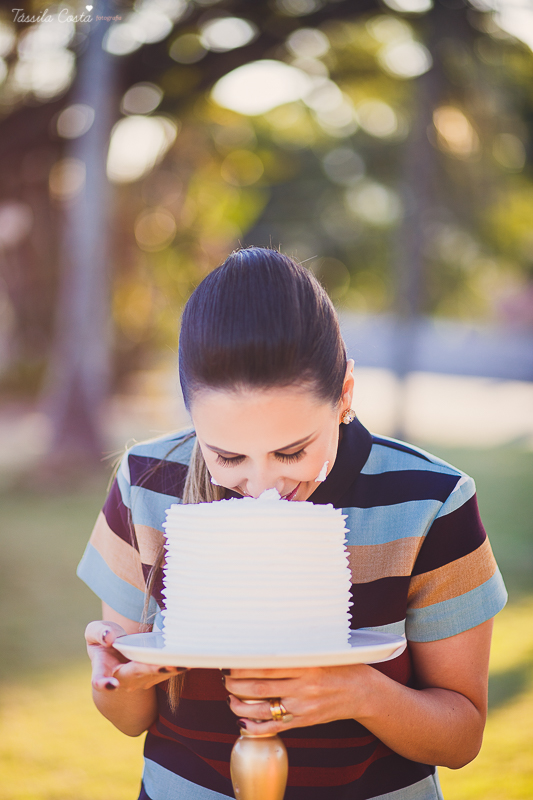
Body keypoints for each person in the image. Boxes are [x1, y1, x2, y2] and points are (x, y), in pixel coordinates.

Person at [78, 247, 507, 800]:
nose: (263, 486)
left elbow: (461, 738)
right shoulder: (146, 485)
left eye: (292, 452)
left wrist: (359, 693)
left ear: (344, 395)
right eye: (228, 458)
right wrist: (111, 679)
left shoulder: (430, 500)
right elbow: (131, 716)